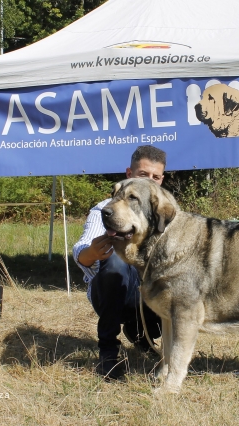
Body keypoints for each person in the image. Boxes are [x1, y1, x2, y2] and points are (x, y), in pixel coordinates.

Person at [73, 145, 166, 380]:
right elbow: (81, 253)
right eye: (143, 175)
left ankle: (148, 337)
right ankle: (108, 354)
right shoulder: (104, 209)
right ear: (129, 174)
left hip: (149, 292)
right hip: (111, 292)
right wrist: (94, 251)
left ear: (162, 180)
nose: (150, 182)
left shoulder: (165, 211)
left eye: (156, 177)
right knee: (116, 262)